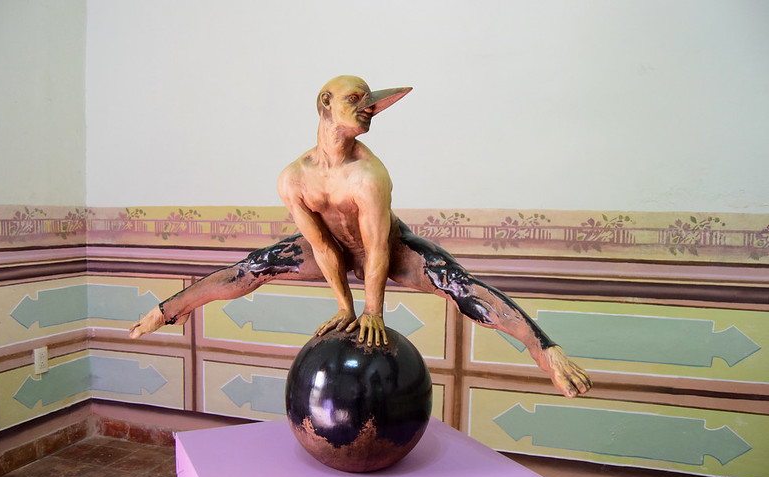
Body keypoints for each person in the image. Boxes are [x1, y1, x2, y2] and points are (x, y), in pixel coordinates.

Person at [129, 75, 592, 398]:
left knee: (456, 282)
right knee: (253, 267)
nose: (368, 109)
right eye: (356, 99)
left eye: (370, 103)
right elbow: (322, 247)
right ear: (325, 103)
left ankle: (545, 350)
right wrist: (345, 307)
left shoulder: (369, 175)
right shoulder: (293, 178)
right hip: (329, 249)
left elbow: (376, 249)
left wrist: (372, 311)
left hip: (389, 248)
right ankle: (167, 310)